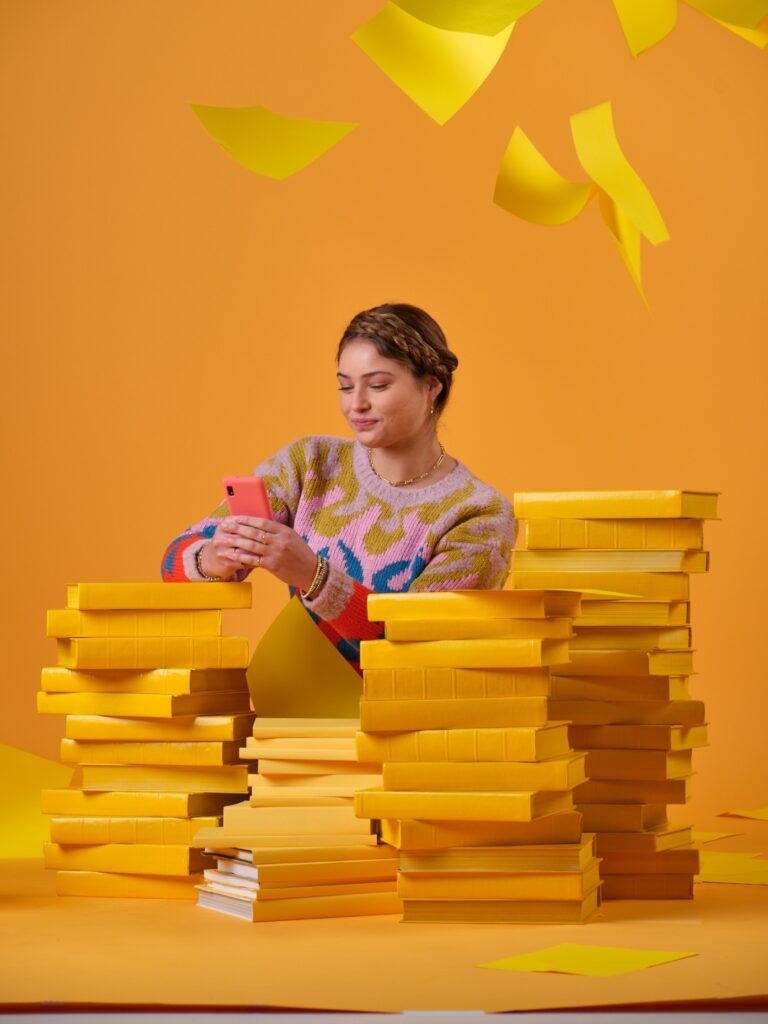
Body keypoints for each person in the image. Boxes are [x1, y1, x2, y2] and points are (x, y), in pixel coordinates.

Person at [161, 303, 515, 672]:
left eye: (378, 385)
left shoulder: (480, 514)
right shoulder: (310, 463)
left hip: (410, 718)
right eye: (345, 387)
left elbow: (416, 650)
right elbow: (172, 564)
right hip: (301, 711)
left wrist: (313, 576)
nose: (356, 404)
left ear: (431, 387)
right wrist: (215, 558)